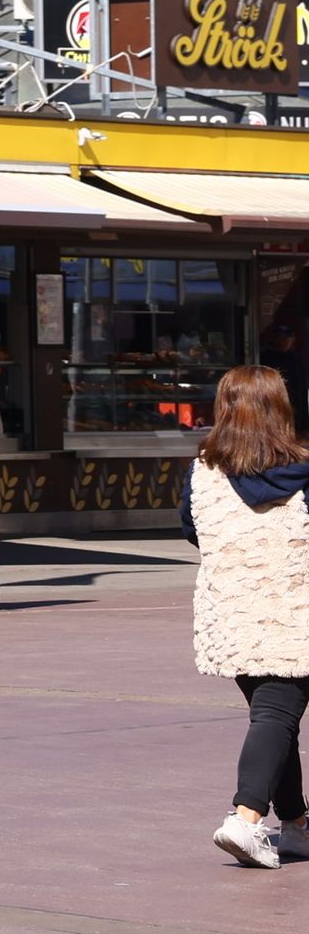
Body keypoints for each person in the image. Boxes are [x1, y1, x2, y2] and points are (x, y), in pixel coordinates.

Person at [192, 365, 309, 867]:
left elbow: (193, 529)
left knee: (272, 718)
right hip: (292, 614)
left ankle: (298, 826)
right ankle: (245, 819)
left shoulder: (202, 470)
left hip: (232, 615)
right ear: (280, 410)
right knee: (277, 716)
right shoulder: (303, 471)